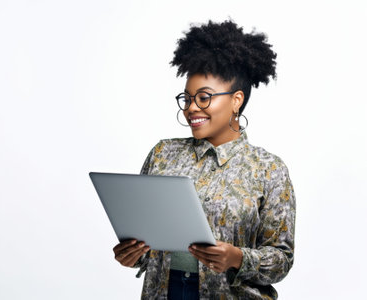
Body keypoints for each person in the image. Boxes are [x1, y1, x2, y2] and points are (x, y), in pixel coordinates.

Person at [112, 19, 296, 300]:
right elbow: (146, 241)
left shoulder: (269, 169)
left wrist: (237, 258)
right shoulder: (163, 154)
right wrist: (132, 254)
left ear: (236, 100)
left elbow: (281, 260)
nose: (191, 108)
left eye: (204, 98)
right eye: (186, 99)